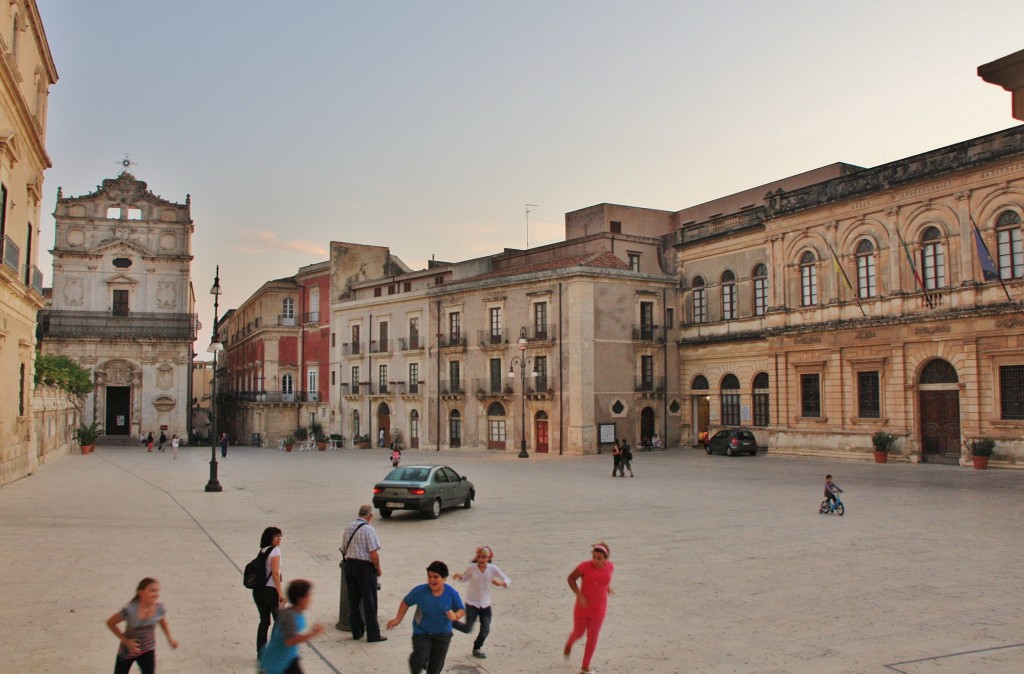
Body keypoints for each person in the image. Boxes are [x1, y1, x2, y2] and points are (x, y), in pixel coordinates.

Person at [386, 561, 465, 674]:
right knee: (420, 656)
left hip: (443, 634)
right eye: (429, 576)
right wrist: (398, 619)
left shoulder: (451, 593)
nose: (431, 580)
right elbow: (406, 602)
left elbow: (461, 610)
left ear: (444, 578)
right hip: (422, 632)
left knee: (436, 665)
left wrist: (455, 616)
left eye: (435, 577)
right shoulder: (420, 591)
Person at [106, 577, 179, 674]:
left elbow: (162, 621)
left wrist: (170, 638)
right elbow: (110, 623)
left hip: (148, 650)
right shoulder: (129, 610)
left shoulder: (159, 608)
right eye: (152, 591)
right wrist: (126, 641)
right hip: (127, 651)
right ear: (141, 593)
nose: (156, 594)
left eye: (157, 591)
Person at [564, 542, 615, 674]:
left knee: (593, 636)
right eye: (594, 557)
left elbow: (604, 580)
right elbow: (570, 579)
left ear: (606, 558)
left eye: (599, 558)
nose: (596, 561)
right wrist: (578, 594)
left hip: (599, 609)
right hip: (582, 607)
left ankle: (585, 667)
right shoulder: (584, 566)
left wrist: (607, 588)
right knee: (579, 633)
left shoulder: (610, 567)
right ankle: (570, 642)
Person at [452, 545, 511, 659]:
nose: (481, 559)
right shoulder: (471, 568)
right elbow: (465, 578)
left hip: (485, 605)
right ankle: (449, 623)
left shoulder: (493, 568)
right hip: (472, 604)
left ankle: (477, 648)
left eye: (484, 557)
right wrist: (459, 576)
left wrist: (501, 583)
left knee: (485, 628)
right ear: (477, 558)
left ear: (488, 558)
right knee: (467, 628)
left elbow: (507, 579)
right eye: (479, 557)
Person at [258, 579, 325, 674]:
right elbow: (290, 640)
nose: (310, 599)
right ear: (301, 600)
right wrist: (312, 634)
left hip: (288, 659)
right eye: (308, 596)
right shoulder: (290, 616)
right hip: (275, 663)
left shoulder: (294, 613)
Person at [341, 505, 386, 643]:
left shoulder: (348, 527)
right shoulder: (368, 529)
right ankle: (373, 634)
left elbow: (343, 548)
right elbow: (373, 553)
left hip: (349, 565)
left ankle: (357, 631)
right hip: (365, 567)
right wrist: (378, 568)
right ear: (370, 516)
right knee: (370, 601)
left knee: (353, 600)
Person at [254, 527, 285, 657]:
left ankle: (261, 652)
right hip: (270, 590)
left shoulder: (262, 550)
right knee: (279, 620)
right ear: (269, 537)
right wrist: (280, 593)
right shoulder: (275, 551)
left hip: (258, 591)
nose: (279, 538)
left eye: (280, 536)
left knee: (264, 621)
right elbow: (275, 574)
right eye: (276, 536)